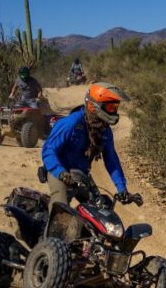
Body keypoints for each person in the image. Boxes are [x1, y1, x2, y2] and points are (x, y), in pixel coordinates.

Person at [41, 82, 133, 210]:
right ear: (93, 105)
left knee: (102, 210)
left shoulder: (104, 130)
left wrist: (122, 188)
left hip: (81, 175)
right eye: (110, 107)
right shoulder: (71, 123)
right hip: (60, 171)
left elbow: (111, 160)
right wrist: (61, 172)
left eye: (114, 107)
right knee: (60, 209)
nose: (113, 111)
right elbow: (48, 150)